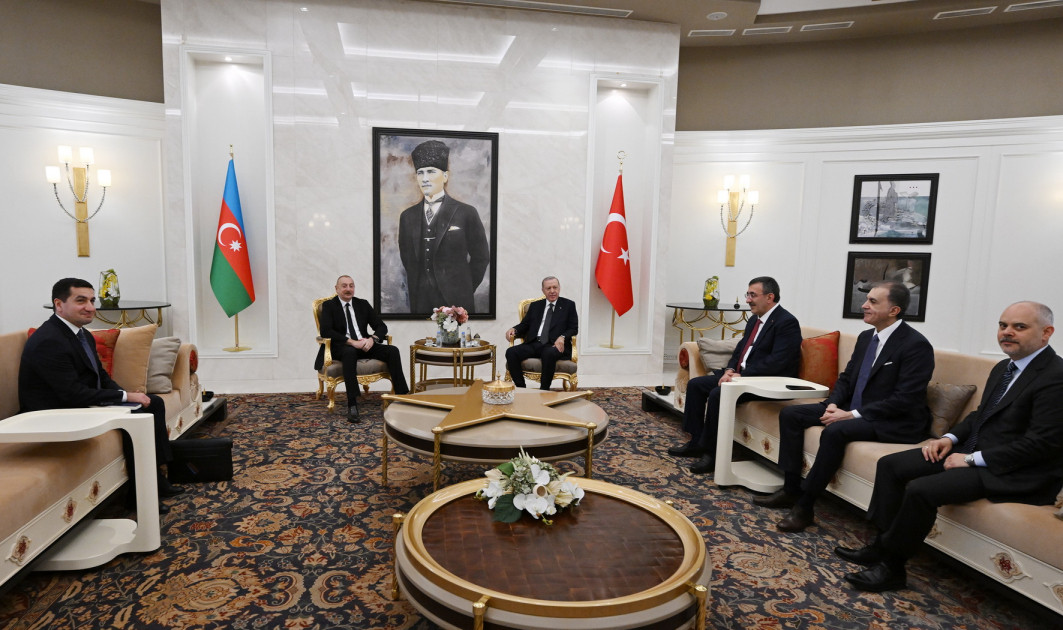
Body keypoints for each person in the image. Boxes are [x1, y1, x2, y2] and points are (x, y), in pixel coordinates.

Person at [835, 301, 1063, 592]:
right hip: (975, 453)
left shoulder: (1056, 377)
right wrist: (949, 439)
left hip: (1015, 470)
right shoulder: (1004, 367)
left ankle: (892, 568)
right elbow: (980, 414)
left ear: (1046, 333)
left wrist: (971, 460)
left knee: (921, 489)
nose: (1007, 332)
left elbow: (1042, 444)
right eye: (1003, 325)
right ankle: (882, 545)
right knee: (891, 465)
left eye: (1019, 327)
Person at [754, 282, 934, 532]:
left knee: (836, 431)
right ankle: (790, 489)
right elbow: (847, 378)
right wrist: (834, 404)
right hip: (852, 408)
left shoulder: (915, 345)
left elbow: (905, 399)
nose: (864, 305)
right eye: (867, 299)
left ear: (894, 310)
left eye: (873, 302)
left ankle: (805, 507)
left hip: (893, 420)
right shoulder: (866, 337)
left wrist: (851, 415)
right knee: (792, 414)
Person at [18, 277, 181, 511]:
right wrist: (124, 399)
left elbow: (100, 377)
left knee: (152, 404)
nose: (90, 307)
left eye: (92, 300)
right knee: (137, 416)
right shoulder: (49, 340)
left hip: (79, 403)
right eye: (81, 300)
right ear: (59, 304)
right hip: (55, 414)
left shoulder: (80, 333)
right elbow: (72, 394)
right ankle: (139, 495)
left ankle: (155, 480)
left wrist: (124, 394)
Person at [669, 276, 803, 474]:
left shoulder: (787, 323)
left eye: (752, 295)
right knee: (696, 385)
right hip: (742, 376)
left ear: (770, 297)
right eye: (747, 294)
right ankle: (696, 441)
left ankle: (713, 454)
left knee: (717, 393)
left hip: (765, 382)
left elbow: (779, 362)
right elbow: (740, 350)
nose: (747, 300)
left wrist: (743, 375)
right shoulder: (755, 320)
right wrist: (731, 370)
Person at [398, 140, 490, 314]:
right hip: (421, 301)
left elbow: (481, 257)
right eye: (420, 173)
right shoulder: (407, 217)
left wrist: (464, 288)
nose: (425, 179)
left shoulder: (466, 212)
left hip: (457, 301)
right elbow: (407, 258)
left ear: (445, 176)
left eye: (431, 172)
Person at [315, 275, 410, 422]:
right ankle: (352, 404)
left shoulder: (362, 304)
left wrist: (372, 339)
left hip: (364, 344)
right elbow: (326, 331)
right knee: (350, 352)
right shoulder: (329, 306)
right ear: (337, 288)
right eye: (344, 286)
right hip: (342, 347)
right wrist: (351, 342)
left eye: (351, 286)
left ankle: (402, 397)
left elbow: (381, 326)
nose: (348, 289)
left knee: (392, 351)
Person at [505, 276, 578, 390]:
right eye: (548, 288)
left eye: (555, 287)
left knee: (548, 353)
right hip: (535, 343)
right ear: (543, 290)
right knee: (511, 352)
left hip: (554, 345)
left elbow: (573, 328)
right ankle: (521, 388)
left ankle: (544, 390)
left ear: (559, 288)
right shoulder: (535, 306)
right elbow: (525, 325)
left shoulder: (568, 305)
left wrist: (562, 337)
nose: (552, 291)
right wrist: (514, 329)